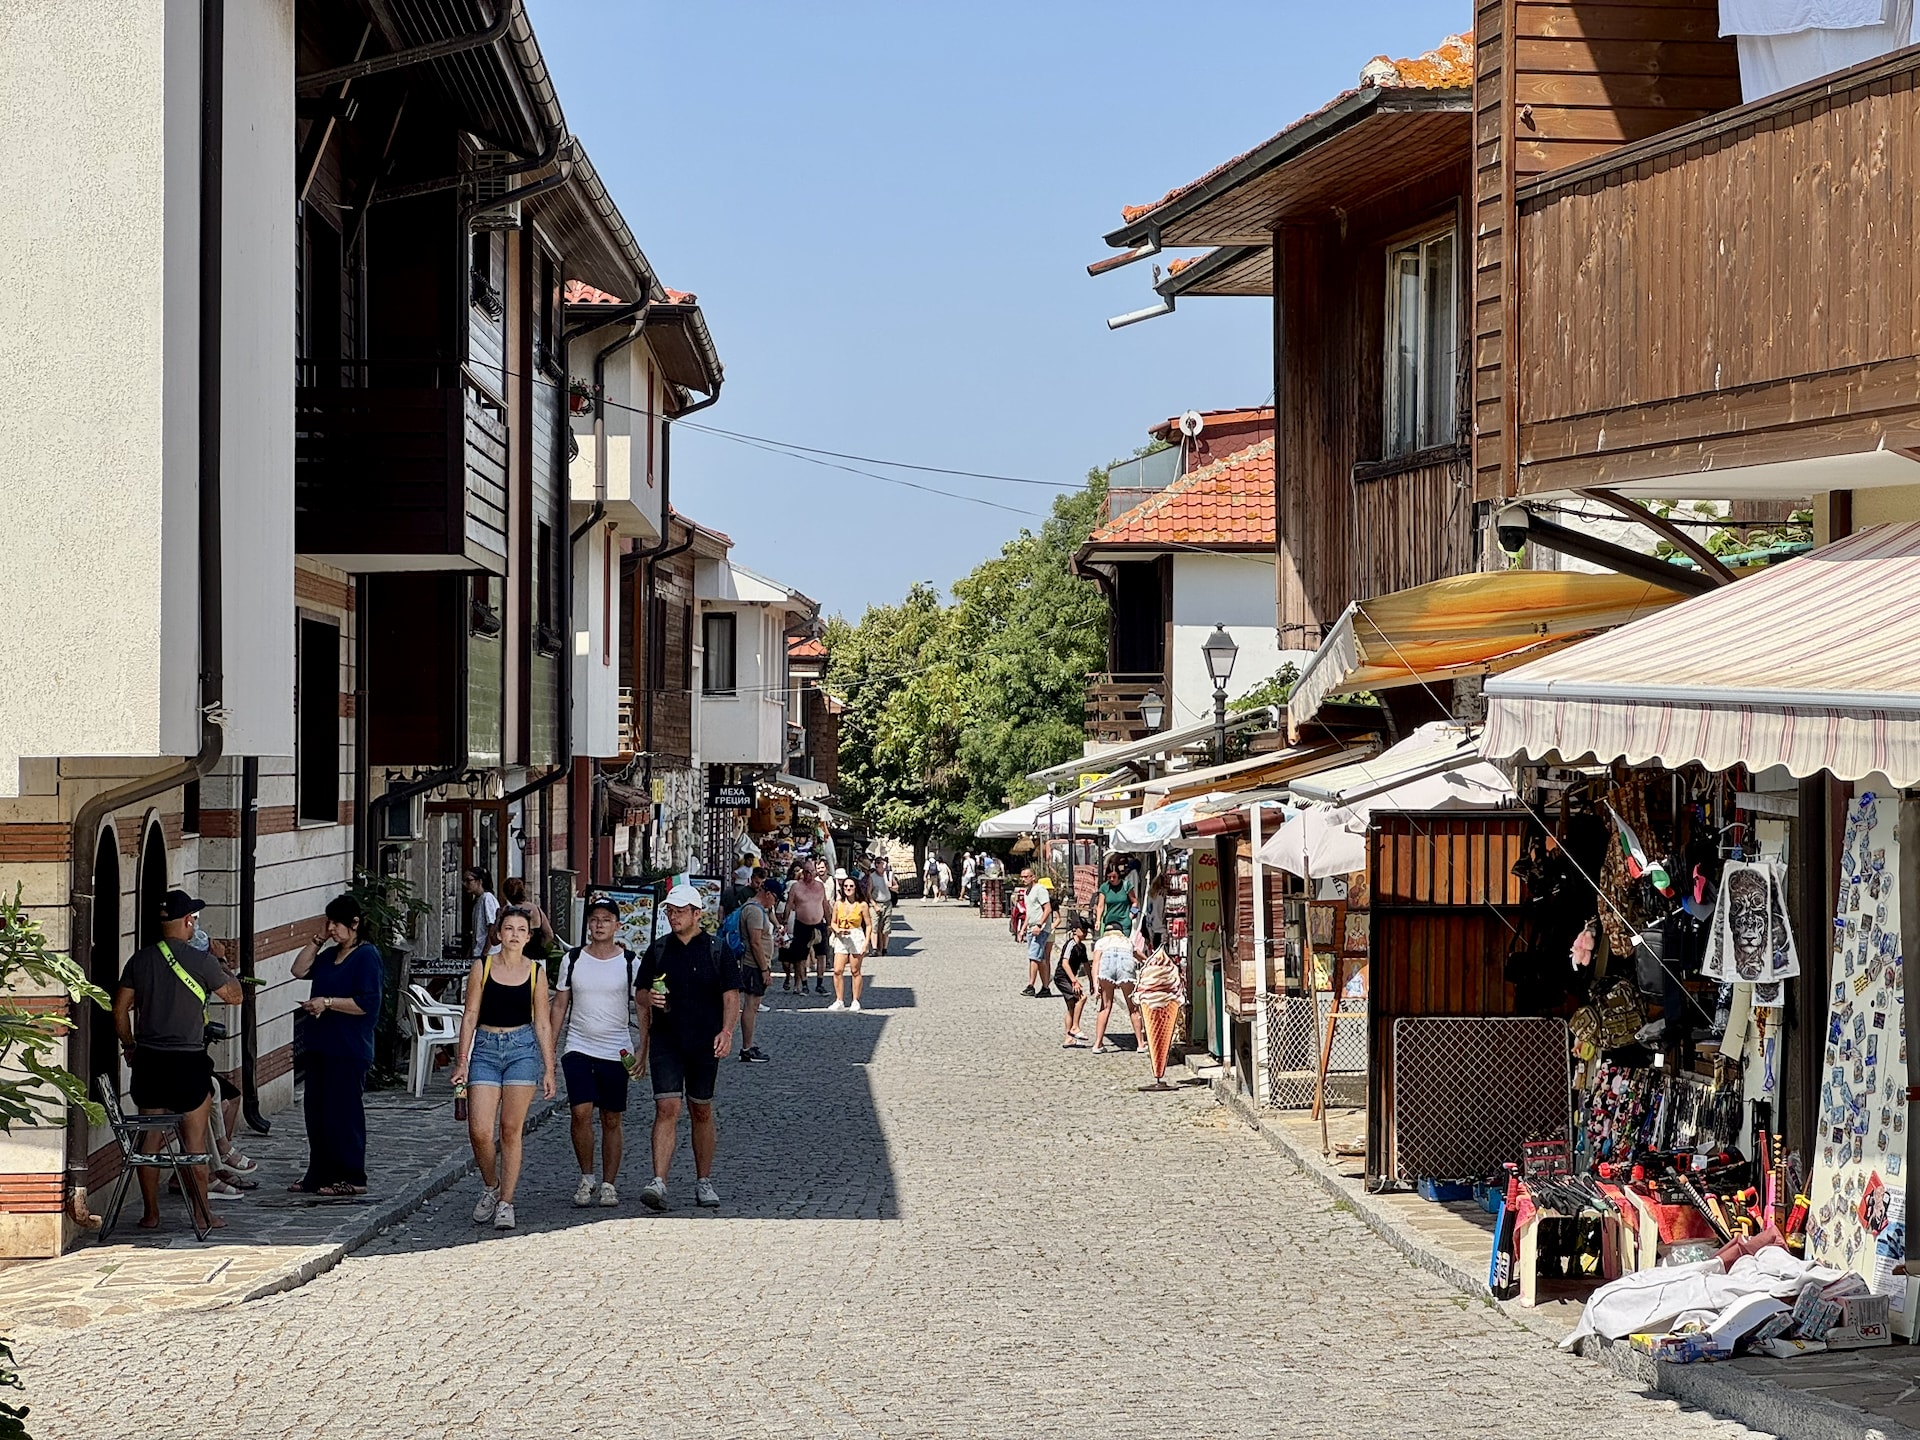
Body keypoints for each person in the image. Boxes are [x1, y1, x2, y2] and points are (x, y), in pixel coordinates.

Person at [113, 889, 244, 1231]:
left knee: (150, 1141)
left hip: (150, 1062)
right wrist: (220, 960)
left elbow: (119, 1008)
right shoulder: (201, 960)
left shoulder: (139, 960)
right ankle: (203, 1215)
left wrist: (129, 1045)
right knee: (195, 1144)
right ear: (188, 922)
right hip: (188, 1063)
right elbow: (235, 996)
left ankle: (151, 1215)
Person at [637, 882, 743, 1210]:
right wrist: (648, 998)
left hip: (704, 1042)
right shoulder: (657, 950)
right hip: (666, 1039)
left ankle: (703, 1180)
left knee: (701, 1109)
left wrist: (727, 1032)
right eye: (669, 910)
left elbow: (731, 996)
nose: (673, 916)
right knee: (667, 1107)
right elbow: (640, 994)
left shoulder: (716, 949)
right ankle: (659, 1181)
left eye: (680, 911)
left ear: (698, 914)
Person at [450, 907, 557, 1230]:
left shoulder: (536, 973)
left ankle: (506, 1202)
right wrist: (462, 1060)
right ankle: (491, 1184)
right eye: (507, 928)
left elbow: (542, 1023)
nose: (513, 934)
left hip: (521, 1049)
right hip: (484, 1047)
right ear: (498, 933)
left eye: (520, 929)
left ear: (528, 936)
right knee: (479, 1130)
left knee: (510, 1129)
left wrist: (549, 1068)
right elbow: (470, 1015)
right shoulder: (481, 967)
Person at [288, 895, 384, 1196]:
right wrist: (317, 939)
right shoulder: (330, 956)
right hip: (320, 1044)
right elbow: (299, 970)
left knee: (343, 1114)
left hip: (348, 1047)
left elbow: (368, 1003)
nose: (332, 929)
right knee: (317, 1114)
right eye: (328, 923)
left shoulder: (367, 956)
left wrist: (328, 1003)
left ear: (354, 924)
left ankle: (352, 1176)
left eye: (336, 924)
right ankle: (318, 1173)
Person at [550, 897, 638, 1207]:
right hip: (579, 1044)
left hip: (616, 1047)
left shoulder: (630, 963)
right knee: (580, 1111)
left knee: (612, 1118)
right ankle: (586, 1176)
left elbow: (641, 1006)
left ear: (617, 926)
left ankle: (609, 1183)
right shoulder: (572, 959)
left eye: (605, 919)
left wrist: (644, 1048)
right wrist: (550, 1045)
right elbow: (560, 1003)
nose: (599, 924)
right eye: (594, 919)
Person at [736, 877, 780, 1061]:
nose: (775, 903)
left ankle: (749, 1045)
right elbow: (754, 942)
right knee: (751, 1005)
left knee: (752, 1005)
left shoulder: (757, 909)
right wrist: (764, 969)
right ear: (768, 894)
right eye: (775, 898)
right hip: (753, 965)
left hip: (755, 964)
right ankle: (747, 1048)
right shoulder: (754, 911)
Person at [1090, 921, 1145, 1055]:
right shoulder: (1127, 941)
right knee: (1133, 1007)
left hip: (1106, 963)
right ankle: (1141, 1044)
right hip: (1125, 961)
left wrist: (1095, 984)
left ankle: (1098, 1044)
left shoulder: (1101, 942)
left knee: (1105, 1006)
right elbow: (1140, 956)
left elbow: (1096, 961)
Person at [826, 874, 871, 1013]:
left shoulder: (862, 905)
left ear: (855, 887)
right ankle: (839, 1000)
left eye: (851, 886)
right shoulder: (838, 904)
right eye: (846, 886)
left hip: (856, 935)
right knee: (837, 970)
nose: (848, 888)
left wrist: (866, 943)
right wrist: (837, 929)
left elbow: (869, 925)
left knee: (855, 970)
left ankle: (855, 1000)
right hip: (841, 936)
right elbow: (833, 922)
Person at [785, 859, 829, 996]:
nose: (809, 874)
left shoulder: (820, 887)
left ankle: (820, 984)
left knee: (821, 954)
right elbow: (788, 904)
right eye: (806, 872)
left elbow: (825, 905)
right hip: (802, 924)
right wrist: (785, 922)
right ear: (803, 872)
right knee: (800, 957)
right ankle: (804, 984)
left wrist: (830, 922)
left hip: (818, 923)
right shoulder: (796, 887)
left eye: (811, 872)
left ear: (815, 872)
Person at [499, 876, 558, 961]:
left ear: (505, 894)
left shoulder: (508, 912)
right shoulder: (536, 909)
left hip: (517, 957)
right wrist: (541, 946)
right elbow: (549, 934)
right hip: (538, 957)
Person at [1056, 919, 1093, 1048]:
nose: (1085, 932)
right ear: (1074, 931)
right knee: (1082, 998)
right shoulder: (1070, 944)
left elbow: (1087, 965)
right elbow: (1064, 963)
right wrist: (1074, 981)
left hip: (1069, 978)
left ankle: (1068, 1038)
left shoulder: (1082, 947)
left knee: (1072, 1006)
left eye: (1086, 930)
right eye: (1082, 929)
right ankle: (1075, 1027)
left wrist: (1092, 982)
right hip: (1062, 977)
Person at [1019, 867, 1054, 998]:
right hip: (1031, 928)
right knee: (1041, 959)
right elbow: (1029, 912)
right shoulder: (1026, 892)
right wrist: (1022, 929)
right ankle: (1045, 987)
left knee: (1033, 956)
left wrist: (1040, 925)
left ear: (1033, 877)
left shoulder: (1040, 890)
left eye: (1026, 876)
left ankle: (1031, 986)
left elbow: (1047, 909)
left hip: (1040, 929)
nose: (1023, 879)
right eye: (1022, 877)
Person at [865, 855, 896, 957]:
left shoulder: (889, 875)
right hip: (876, 903)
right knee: (874, 926)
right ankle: (874, 948)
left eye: (880, 863)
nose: (878, 865)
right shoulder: (872, 877)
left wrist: (893, 887)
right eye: (877, 863)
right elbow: (868, 892)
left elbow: (896, 886)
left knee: (886, 927)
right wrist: (874, 905)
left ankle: (885, 949)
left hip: (887, 902)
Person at [464, 867, 499, 958]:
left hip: (488, 954)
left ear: (479, 881)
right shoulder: (478, 900)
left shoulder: (487, 898)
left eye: (469, 880)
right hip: (478, 951)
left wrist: (485, 952)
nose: (465, 884)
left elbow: (492, 926)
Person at [1095, 862, 1135, 938]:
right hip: (1110, 924)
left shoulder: (1126, 886)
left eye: (1114, 877)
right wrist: (1098, 921)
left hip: (1124, 924)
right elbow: (1100, 905)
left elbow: (1135, 902)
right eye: (1109, 877)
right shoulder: (1104, 887)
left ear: (1118, 875)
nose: (1112, 879)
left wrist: (1132, 914)